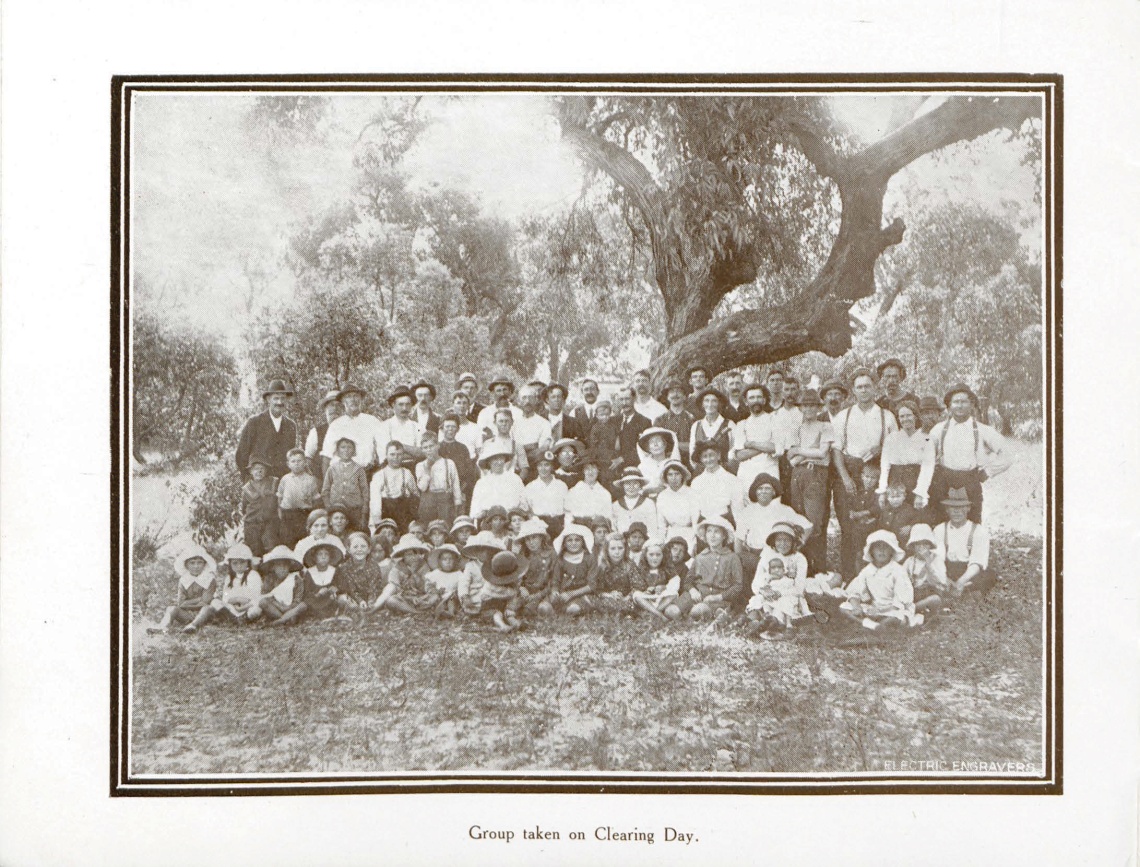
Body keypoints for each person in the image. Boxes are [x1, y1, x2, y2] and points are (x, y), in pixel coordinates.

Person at [831, 367, 898, 580]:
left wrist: (882, 449)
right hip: (849, 472)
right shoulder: (844, 415)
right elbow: (836, 450)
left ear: (875, 388)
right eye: (859, 387)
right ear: (853, 390)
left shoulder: (886, 416)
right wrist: (844, 477)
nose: (863, 390)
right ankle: (849, 576)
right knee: (848, 525)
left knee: (873, 522)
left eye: (867, 386)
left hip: (875, 471)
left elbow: (895, 446)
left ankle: (873, 574)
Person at [916, 383, 1012, 525]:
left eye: (964, 402)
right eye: (956, 402)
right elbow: (928, 462)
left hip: (970, 482)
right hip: (944, 481)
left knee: (972, 523)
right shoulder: (938, 429)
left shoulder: (982, 430)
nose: (960, 406)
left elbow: (1007, 454)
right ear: (949, 406)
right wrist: (921, 492)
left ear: (972, 404)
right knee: (941, 524)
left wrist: (988, 471)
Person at [784, 389, 835, 573]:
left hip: (816, 475)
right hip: (797, 475)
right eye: (805, 405)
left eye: (813, 405)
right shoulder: (796, 428)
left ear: (818, 407)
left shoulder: (825, 426)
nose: (809, 409)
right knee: (798, 519)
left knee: (814, 522)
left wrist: (801, 452)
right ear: (801, 408)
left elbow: (823, 454)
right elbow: (791, 459)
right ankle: (799, 566)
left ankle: (817, 568)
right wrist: (809, 452)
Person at [664, 517, 743, 621]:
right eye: (709, 531)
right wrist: (692, 591)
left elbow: (738, 586)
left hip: (718, 599)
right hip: (696, 596)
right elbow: (688, 581)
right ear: (705, 535)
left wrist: (718, 597)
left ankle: (712, 614)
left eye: (717, 532)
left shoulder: (732, 557)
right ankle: (690, 616)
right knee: (670, 611)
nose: (712, 535)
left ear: (724, 536)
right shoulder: (700, 557)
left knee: (697, 611)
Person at [744, 521, 811, 639]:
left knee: (785, 604)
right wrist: (763, 591)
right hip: (769, 593)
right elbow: (756, 583)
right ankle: (754, 624)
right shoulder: (767, 557)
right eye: (779, 540)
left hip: (789, 593)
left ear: (793, 542)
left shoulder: (799, 558)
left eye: (787, 540)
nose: (783, 544)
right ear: (773, 542)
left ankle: (775, 624)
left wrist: (779, 593)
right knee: (758, 600)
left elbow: (799, 587)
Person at [840, 530, 918, 629]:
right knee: (844, 607)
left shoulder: (898, 571)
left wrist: (880, 611)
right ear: (871, 551)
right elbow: (854, 591)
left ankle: (876, 625)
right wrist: (857, 607)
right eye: (878, 547)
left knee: (899, 617)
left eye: (885, 547)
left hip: (893, 609)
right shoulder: (868, 570)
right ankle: (870, 624)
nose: (882, 551)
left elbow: (900, 602)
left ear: (892, 551)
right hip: (875, 607)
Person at [734, 473, 801, 577]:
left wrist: (796, 547)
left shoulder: (784, 509)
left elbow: (807, 526)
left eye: (767, 488)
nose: (763, 491)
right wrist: (738, 559)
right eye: (760, 488)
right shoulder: (747, 511)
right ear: (755, 492)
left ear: (774, 492)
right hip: (753, 555)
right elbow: (739, 539)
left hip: (777, 555)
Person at [184, 543, 263, 631]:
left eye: (242, 562)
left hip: (247, 609)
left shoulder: (253, 575)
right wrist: (236, 600)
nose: (239, 566)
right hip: (232, 610)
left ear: (248, 562)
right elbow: (226, 598)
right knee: (214, 602)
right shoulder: (229, 578)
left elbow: (256, 597)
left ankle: (243, 621)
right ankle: (194, 625)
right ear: (230, 564)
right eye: (235, 563)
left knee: (256, 609)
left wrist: (242, 607)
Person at [933, 488, 997, 595]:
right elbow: (937, 559)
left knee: (989, 575)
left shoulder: (979, 531)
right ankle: (957, 590)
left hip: (968, 571)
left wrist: (961, 582)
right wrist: (945, 578)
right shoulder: (940, 529)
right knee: (929, 572)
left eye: (961, 507)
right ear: (947, 509)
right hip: (946, 569)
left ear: (968, 508)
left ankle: (963, 590)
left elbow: (977, 562)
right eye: (953, 507)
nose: (957, 511)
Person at [235, 379, 298, 482]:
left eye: (282, 398)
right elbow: (241, 455)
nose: (279, 402)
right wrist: (249, 479)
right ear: (268, 399)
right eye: (276, 398)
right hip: (259, 484)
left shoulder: (291, 426)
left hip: (282, 484)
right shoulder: (254, 423)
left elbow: (291, 457)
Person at [149, 544, 218, 634]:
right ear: (186, 565)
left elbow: (205, 601)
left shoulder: (209, 579)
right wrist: (198, 599)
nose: (196, 566)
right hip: (188, 615)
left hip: (206, 615)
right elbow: (180, 603)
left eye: (199, 562)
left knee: (207, 608)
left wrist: (187, 603)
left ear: (204, 564)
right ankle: (163, 627)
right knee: (172, 608)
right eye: (192, 563)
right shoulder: (184, 580)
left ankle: (193, 626)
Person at [319, 383, 383, 475]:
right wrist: (327, 486)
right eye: (349, 397)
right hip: (342, 475)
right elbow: (326, 457)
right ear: (343, 401)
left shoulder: (373, 421)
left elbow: (383, 451)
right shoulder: (336, 425)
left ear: (361, 399)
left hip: (367, 473)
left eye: (356, 396)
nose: (353, 400)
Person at [877, 399, 928, 507]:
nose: (905, 419)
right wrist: (882, 491)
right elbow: (885, 467)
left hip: (917, 481)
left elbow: (927, 468)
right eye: (902, 416)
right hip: (896, 484)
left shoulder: (925, 438)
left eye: (908, 415)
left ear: (915, 416)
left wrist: (921, 493)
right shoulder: (891, 438)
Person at [374, 534, 439, 616]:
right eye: (409, 555)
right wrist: (411, 598)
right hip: (406, 599)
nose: (413, 557)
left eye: (416, 554)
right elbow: (395, 588)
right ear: (403, 556)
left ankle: (423, 608)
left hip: (421, 597)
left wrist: (415, 574)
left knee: (435, 596)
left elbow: (427, 585)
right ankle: (414, 612)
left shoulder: (423, 565)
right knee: (391, 600)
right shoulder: (398, 568)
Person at [733, 383, 780, 494]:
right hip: (747, 475)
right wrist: (765, 446)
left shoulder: (774, 420)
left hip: (769, 472)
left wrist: (751, 444)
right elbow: (739, 455)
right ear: (746, 402)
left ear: (764, 400)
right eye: (752, 398)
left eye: (759, 397)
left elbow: (776, 448)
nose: (756, 400)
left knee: (770, 507)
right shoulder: (741, 425)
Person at [588, 532, 647, 613]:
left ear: (625, 549)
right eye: (612, 548)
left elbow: (639, 586)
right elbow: (597, 588)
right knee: (598, 602)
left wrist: (626, 597)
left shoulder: (629, 565)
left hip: (626, 597)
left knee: (636, 600)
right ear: (606, 550)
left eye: (620, 548)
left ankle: (626, 610)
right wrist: (610, 595)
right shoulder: (601, 566)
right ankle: (625, 611)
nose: (617, 552)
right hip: (608, 597)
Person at [414, 432, 463, 527]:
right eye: (425, 448)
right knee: (427, 528)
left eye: (431, 446)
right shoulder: (420, 466)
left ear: (438, 446)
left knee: (446, 527)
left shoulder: (448, 463)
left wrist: (458, 504)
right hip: (428, 502)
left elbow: (455, 485)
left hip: (445, 501)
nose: (429, 450)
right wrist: (428, 469)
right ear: (422, 450)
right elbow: (422, 488)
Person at [369, 442, 419, 534]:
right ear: (386, 455)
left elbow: (415, 494)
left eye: (399, 455)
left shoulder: (407, 473)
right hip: (386, 515)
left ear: (403, 455)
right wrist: (377, 520)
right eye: (392, 454)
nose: (395, 458)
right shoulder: (379, 475)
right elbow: (375, 501)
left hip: (404, 515)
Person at [689, 442, 743, 528]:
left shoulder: (732, 480)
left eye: (711, 455)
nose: (709, 459)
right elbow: (694, 510)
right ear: (701, 459)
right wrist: (696, 529)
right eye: (705, 456)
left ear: (718, 456)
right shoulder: (696, 482)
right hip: (704, 525)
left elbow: (738, 511)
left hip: (725, 524)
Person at [902, 524, 951, 615]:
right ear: (913, 546)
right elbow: (902, 579)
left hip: (932, 593)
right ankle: (916, 609)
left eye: (925, 543)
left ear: (930, 545)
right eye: (918, 544)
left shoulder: (937, 559)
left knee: (935, 599)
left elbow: (941, 582)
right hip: (915, 594)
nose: (921, 547)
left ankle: (913, 609)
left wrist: (928, 564)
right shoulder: (910, 561)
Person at [511, 519, 557, 617]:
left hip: (544, 593)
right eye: (527, 539)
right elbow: (517, 577)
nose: (531, 542)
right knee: (511, 609)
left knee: (537, 609)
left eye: (534, 538)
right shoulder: (523, 555)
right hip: (526, 593)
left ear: (541, 538)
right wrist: (521, 587)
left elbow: (554, 581)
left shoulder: (552, 554)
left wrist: (539, 595)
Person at [322, 437, 369, 531]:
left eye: (349, 447)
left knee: (354, 532)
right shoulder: (332, 468)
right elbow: (325, 491)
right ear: (337, 451)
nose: (346, 450)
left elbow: (365, 493)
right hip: (336, 510)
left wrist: (363, 514)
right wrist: (329, 508)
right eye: (343, 447)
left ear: (354, 451)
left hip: (354, 510)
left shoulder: (359, 470)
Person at [277, 448, 320, 547]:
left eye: (299, 461)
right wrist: (280, 512)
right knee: (287, 540)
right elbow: (279, 497)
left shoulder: (310, 480)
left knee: (303, 540)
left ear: (305, 463)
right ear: (288, 464)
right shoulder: (285, 479)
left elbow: (315, 500)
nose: (296, 464)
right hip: (288, 514)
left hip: (303, 514)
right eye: (293, 461)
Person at [469, 444, 525, 520]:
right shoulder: (482, 483)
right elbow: (475, 510)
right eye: (495, 459)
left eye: (501, 458)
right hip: (489, 522)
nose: (499, 462)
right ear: (489, 462)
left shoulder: (515, 479)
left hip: (511, 520)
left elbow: (524, 503)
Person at [549, 523, 596, 615]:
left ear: (582, 542)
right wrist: (555, 591)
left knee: (573, 609)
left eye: (577, 540)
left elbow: (592, 585)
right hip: (564, 594)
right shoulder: (561, 559)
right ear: (564, 543)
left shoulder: (589, 558)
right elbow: (555, 581)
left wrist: (571, 594)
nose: (573, 543)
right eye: (569, 540)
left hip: (583, 594)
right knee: (545, 607)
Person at [655, 459, 700, 553]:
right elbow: (662, 525)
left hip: (689, 535)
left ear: (682, 476)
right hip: (671, 535)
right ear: (666, 477)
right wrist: (661, 542)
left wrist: (696, 542)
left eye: (677, 474)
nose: (673, 478)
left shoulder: (692, 493)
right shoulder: (662, 496)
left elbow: (696, 521)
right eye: (670, 474)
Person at [338, 532, 387, 615]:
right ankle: (358, 611)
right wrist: (360, 601)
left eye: (363, 546)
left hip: (372, 598)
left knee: (385, 595)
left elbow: (374, 587)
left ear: (368, 549)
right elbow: (350, 589)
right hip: (354, 598)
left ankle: (371, 609)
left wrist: (370, 601)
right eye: (355, 547)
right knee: (342, 599)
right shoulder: (344, 568)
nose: (359, 549)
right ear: (349, 549)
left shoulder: (374, 566)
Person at [523, 450, 569, 539]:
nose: (543, 468)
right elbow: (528, 511)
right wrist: (537, 522)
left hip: (558, 525)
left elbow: (567, 509)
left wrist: (565, 528)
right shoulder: (530, 487)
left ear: (552, 467)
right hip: (538, 526)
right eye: (540, 465)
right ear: (536, 467)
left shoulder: (561, 485)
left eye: (546, 465)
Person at [688, 387, 735, 472]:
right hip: (702, 473)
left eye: (714, 401)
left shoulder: (729, 424)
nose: (710, 404)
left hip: (724, 472)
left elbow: (734, 450)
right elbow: (692, 452)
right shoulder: (696, 425)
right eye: (706, 401)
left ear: (719, 404)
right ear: (702, 404)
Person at [438, 411, 478, 509]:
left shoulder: (463, 448)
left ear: (458, 429)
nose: (450, 430)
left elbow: (469, 473)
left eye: (453, 427)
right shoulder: (437, 448)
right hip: (440, 493)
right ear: (442, 429)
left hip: (460, 491)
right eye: (447, 427)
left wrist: (459, 490)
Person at [513, 384, 555, 477]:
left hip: (536, 468)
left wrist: (523, 454)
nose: (527, 401)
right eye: (524, 398)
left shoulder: (544, 423)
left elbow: (542, 449)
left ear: (536, 400)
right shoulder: (513, 423)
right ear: (519, 401)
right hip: (515, 467)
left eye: (531, 398)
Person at [631, 542, 681, 621]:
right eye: (651, 555)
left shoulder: (667, 569)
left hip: (661, 599)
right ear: (645, 556)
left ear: (663, 556)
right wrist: (645, 590)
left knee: (674, 594)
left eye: (658, 555)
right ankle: (660, 616)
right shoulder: (640, 569)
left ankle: (654, 612)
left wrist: (664, 587)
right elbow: (636, 584)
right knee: (636, 595)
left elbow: (675, 582)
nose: (655, 558)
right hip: (647, 599)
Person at [303, 389, 342, 488]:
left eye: (338, 405)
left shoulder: (349, 430)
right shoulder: (316, 432)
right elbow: (308, 460)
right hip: (320, 483)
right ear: (325, 409)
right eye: (331, 405)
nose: (334, 409)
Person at [377, 385, 426, 464]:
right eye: (401, 404)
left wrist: (400, 446)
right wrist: (413, 452)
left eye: (407, 404)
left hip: (413, 469)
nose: (404, 408)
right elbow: (385, 456)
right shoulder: (384, 427)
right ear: (393, 405)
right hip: (391, 470)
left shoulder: (418, 427)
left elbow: (423, 453)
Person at [653, 380, 697, 467]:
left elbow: (695, 445)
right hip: (665, 465)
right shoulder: (660, 420)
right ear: (667, 397)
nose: (675, 395)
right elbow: (656, 446)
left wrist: (670, 445)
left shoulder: (692, 419)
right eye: (672, 392)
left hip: (688, 465)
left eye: (679, 392)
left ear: (685, 397)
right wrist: (682, 445)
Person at [241, 457, 279, 557]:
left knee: (271, 548)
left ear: (266, 471)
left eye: (262, 468)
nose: (259, 471)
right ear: (250, 471)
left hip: (270, 522)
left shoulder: (273, 482)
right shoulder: (247, 488)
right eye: (256, 469)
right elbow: (244, 508)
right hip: (252, 524)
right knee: (254, 550)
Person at [564, 452, 614, 526]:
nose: (590, 472)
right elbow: (568, 516)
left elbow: (608, 517)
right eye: (587, 468)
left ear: (598, 470)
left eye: (593, 468)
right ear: (583, 471)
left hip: (598, 529)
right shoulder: (573, 492)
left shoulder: (604, 493)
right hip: (578, 528)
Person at [480, 408, 530, 477]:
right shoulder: (488, 444)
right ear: (495, 422)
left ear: (512, 422)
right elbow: (482, 468)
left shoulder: (517, 445)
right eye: (501, 421)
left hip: (510, 483)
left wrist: (516, 484)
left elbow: (524, 469)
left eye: (507, 421)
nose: (504, 424)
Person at [610, 468, 659, 536]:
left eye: (635, 483)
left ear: (640, 485)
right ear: (623, 485)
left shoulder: (648, 503)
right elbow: (613, 528)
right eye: (627, 483)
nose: (631, 487)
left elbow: (653, 528)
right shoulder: (616, 505)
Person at [613, 386, 651, 471]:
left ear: (634, 399)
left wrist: (623, 458)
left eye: (627, 399)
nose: (624, 403)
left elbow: (645, 448)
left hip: (635, 468)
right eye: (621, 399)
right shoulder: (613, 421)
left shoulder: (644, 422)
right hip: (614, 469)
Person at [424, 543, 465, 617]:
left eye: (451, 559)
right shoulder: (435, 573)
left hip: (452, 596)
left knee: (451, 600)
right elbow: (428, 584)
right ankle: (437, 610)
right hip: (439, 595)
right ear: (439, 561)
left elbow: (462, 587)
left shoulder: (459, 574)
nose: (448, 562)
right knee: (434, 598)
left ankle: (450, 612)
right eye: (444, 559)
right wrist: (434, 590)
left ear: (455, 561)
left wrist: (455, 592)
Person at [877, 482, 923, 547]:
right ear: (887, 498)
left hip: (902, 541)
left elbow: (917, 519)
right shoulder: (885, 509)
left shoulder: (909, 509)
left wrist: (910, 526)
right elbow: (880, 524)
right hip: (887, 540)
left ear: (904, 496)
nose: (895, 500)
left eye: (898, 496)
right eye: (892, 497)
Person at [585, 399, 621, 482]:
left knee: (612, 474)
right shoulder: (595, 428)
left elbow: (617, 440)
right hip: (600, 457)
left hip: (612, 455)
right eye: (602, 415)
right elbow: (593, 445)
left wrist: (617, 449)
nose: (605, 417)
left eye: (607, 415)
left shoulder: (613, 427)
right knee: (602, 476)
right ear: (597, 415)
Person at [637, 427, 679, 494]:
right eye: (651, 442)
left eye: (658, 441)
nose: (655, 444)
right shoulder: (642, 466)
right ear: (648, 448)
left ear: (665, 444)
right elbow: (638, 490)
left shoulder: (673, 463)